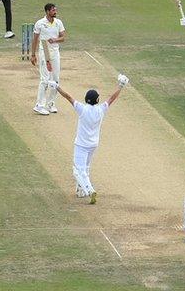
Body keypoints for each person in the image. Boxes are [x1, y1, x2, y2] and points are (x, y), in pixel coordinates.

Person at [48, 74, 129, 204]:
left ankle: (90, 190)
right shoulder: (101, 110)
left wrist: (57, 87)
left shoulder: (82, 109)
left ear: (86, 99)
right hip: (93, 145)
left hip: (81, 145)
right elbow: (111, 98)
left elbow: (68, 97)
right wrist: (120, 86)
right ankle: (80, 192)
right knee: (85, 168)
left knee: (77, 171)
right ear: (97, 100)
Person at [30, 3, 66, 115]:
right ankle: (39, 105)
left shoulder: (58, 22)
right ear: (47, 11)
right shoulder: (40, 23)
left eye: (55, 10)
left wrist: (55, 40)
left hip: (55, 52)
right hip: (44, 51)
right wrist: (33, 54)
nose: (55, 12)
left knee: (55, 79)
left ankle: (51, 104)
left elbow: (63, 37)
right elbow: (35, 39)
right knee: (45, 79)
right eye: (53, 10)